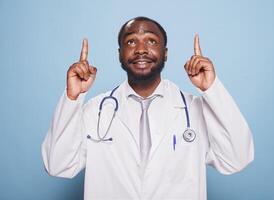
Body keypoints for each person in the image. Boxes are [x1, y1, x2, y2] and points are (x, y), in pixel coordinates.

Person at [42, 16, 254, 200]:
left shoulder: (195, 110)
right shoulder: (95, 110)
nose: (141, 49)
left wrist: (212, 90)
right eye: (131, 41)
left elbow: (237, 159)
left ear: (166, 53)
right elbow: (58, 165)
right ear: (119, 54)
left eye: (151, 41)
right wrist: (72, 98)